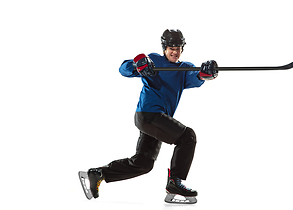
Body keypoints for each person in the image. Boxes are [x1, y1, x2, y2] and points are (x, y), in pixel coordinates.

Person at [81, 29, 218, 203]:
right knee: (187, 137)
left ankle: (98, 174)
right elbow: (123, 69)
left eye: (178, 48)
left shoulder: (184, 68)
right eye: (171, 48)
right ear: (164, 48)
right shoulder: (154, 61)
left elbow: (196, 76)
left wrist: (205, 73)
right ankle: (175, 182)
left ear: (182, 48)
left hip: (156, 120)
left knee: (143, 164)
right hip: (148, 115)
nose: (174, 52)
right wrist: (138, 64)